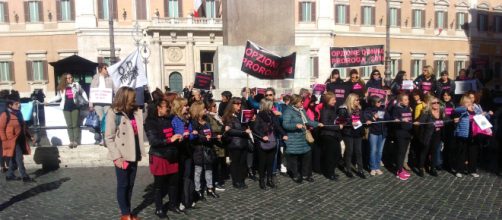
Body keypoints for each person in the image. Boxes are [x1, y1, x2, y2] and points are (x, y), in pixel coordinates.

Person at [104, 87, 146, 220]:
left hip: (134, 153)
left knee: (130, 184)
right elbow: (108, 137)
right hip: (121, 155)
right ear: (125, 98)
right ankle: (125, 214)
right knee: (123, 184)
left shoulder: (135, 112)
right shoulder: (113, 113)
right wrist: (117, 157)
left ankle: (128, 212)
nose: (135, 99)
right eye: (132, 97)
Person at [144, 99, 183, 218]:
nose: (169, 109)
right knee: (159, 185)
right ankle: (159, 208)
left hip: (172, 154)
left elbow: (173, 132)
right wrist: (169, 140)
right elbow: (153, 141)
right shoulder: (150, 122)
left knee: (173, 183)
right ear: (158, 108)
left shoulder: (169, 119)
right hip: (159, 156)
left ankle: (172, 205)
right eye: (166, 107)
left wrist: (178, 137)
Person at [282, 94, 323, 183]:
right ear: (295, 102)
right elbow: (285, 124)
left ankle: (305, 175)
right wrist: (295, 125)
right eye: (301, 101)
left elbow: (307, 121)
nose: (302, 102)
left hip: (303, 137)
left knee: (306, 156)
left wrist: (317, 124)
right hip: (294, 139)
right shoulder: (288, 111)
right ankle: (295, 175)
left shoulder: (302, 110)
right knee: (294, 158)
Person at [252, 99, 288, 190]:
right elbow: (255, 129)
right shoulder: (259, 115)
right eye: (271, 105)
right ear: (267, 106)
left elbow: (277, 126)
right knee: (262, 163)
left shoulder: (272, 115)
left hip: (272, 141)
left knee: (270, 163)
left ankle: (269, 180)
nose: (273, 107)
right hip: (263, 142)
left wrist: (284, 134)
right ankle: (261, 181)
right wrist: (262, 136)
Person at [0, 93, 34, 182]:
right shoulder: (5, 115)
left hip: (19, 139)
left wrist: (30, 136)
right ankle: (25, 176)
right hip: (11, 140)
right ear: (10, 105)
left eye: (19, 103)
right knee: (19, 158)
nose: (19, 105)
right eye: (16, 104)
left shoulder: (19, 113)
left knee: (13, 159)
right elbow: (1, 129)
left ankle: (10, 174)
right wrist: (5, 141)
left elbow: (23, 126)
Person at [49, 73, 89, 148]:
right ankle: (71, 141)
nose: (71, 79)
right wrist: (48, 101)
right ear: (65, 79)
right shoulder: (62, 87)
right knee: (69, 125)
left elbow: (82, 92)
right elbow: (58, 97)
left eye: (71, 77)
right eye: (68, 78)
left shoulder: (76, 84)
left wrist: (87, 100)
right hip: (66, 107)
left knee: (75, 124)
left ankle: (76, 141)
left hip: (75, 107)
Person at [189, 101, 219, 199]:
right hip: (199, 150)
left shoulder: (207, 121)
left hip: (208, 149)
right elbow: (195, 136)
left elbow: (209, 133)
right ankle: (198, 190)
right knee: (198, 170)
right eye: (203, 109)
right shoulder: (193, 122)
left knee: (209, 170)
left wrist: (215, 136)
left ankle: (210, 188)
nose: (205, 110)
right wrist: (204, 138)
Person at [170, 97, 195, 210]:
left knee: (187, 176)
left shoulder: (187, 119)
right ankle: (179, 199)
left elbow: (192, 134)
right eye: (185, 105)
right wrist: (183, 135)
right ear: (179, 107)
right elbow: (174, 135)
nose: (188, 107)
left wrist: (188, 135)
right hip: (178, 151)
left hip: (188, 150)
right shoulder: (174, 120)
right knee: (179, 177)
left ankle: (187, 198)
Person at [222, 97, 252, 189]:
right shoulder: (228, 116)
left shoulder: (240, 115)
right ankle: (236, 181)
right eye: (237, 104)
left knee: (243, 163)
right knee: (235, 163)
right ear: (232, 105)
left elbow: (244, 126)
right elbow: (230, 131)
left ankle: (241, 179)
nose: (239, 106)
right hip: (234, 143)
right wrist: (243, 132)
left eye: (240, 104)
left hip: (243, 142)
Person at [338, 93, 366, 179]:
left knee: (358, 151)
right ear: (351, 100)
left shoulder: (359, 109)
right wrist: (350, 122)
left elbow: (363, 119)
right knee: (349, 151)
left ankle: (360, 169)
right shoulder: (344, 109)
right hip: (349, 132)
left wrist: (366, 121)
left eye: (358, 100)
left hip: (358, 132)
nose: (358, 101)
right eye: (356, 100)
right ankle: (348, 170)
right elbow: (342, 119)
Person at [417, 97, 445, 177]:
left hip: (438, 135)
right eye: (434, 103)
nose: (436, 104)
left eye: (437, 102)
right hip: (428, 135)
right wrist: (419, 123)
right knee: (424, 151)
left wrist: (453, 120)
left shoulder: (441, 112)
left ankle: (433, 168)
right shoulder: (426, 112)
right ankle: (421, 168)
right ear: (430, 104)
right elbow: (421, 123)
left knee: (435, 152)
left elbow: (446, 120)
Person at [319, 92, 343, 180]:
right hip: (328, 135)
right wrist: (337, 126)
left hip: (334, 135)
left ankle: (331, 170)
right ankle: (329, 173)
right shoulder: (325, 110)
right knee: (330, 155)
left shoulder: (333, 108)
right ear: (328, 100)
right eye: (333, 99)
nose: (335, 101)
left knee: (336, 154)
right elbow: (325, 124)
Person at [89, 63, 114, 145]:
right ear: (100, 69)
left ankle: (106, 139)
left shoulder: (110, 78)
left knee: (107, 120)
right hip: (98, 103)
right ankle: (101, 138)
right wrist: (91, 104)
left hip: (108, 102)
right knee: (100, 120)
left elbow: (115, 90)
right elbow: (91, 92)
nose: (107, 69)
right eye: (105, 68)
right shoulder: (95, 78)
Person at [364, 96, 390, 176]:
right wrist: (373, 118)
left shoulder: (383, 109)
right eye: (378, 102)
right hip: (373, 132)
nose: (380, 103)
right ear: (373, 102)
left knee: (379, 151)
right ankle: (372, 167)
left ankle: (377, 167)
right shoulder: (368, 110)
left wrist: (393, 117)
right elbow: (366, 119)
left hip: (382, 133)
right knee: (373, 150)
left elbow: (388, 118)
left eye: (380, 102)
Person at [391, 93, 414, 181]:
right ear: (400, 101)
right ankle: (399, 171)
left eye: (407, 99)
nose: (407, 101)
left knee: (404, 152)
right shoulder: (396, 109)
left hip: (408, 133)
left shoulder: (408, 108)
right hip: (400, 133)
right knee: (400, 152)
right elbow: (394, 119)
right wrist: (401, 120)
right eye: (405, 100)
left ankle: (401, 168)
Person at [205, 99, 227, 191]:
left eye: (215, 105)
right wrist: (223, 127)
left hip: (220, 144)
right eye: (214, 106)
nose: (216, 107)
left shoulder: (216, 116)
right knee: (215, 165)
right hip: (215, 145)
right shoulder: (208, 117)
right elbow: (212, 128)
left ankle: (218, 180)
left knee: (220, 164)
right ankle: (215, 182)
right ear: (209, 107)